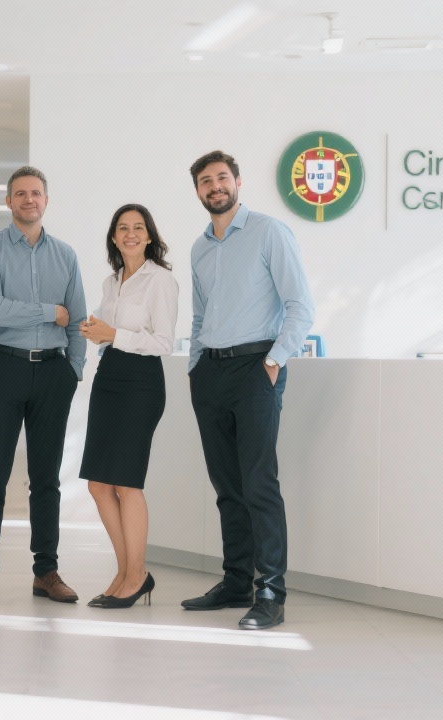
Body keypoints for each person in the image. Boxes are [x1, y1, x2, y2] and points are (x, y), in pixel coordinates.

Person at [182, 150, 314, 630]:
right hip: (211, 372)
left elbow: (300, 306)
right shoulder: (199, 249)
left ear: (237, 182)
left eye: (222, 177)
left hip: (256, 368)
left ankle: (271, 592)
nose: (215, 186)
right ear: (198, 191)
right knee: (226, 486)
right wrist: (196, 366)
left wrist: (274, 362)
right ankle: (237, 581)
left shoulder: (269, 232)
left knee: (259, 483)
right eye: (205, 181)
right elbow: (200, 316)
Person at [0, 166, 87, 606]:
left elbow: (76, 317)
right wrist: (47, 311)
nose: (29, 199)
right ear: (9, 201)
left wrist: (73, 371)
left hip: (53, 373)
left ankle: (46, 571)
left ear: (46, 200)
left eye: (36, 193)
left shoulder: (66, 255)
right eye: (20, 193)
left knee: (46, 479)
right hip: (4, 367)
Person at [78, 204, 178, 609]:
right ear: (114, 237)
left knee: (127, 483)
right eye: (123, 228)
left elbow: (164, 343)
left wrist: (113, 334)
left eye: (138, 227)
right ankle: (126, 572)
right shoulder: (111, 281)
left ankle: (135, 577)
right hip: (109, 377)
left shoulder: (161, 281)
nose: (131, 233)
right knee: (98, 484)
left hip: (141, 382)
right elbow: (109, 332)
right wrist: (96, 332)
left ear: (149, 236)